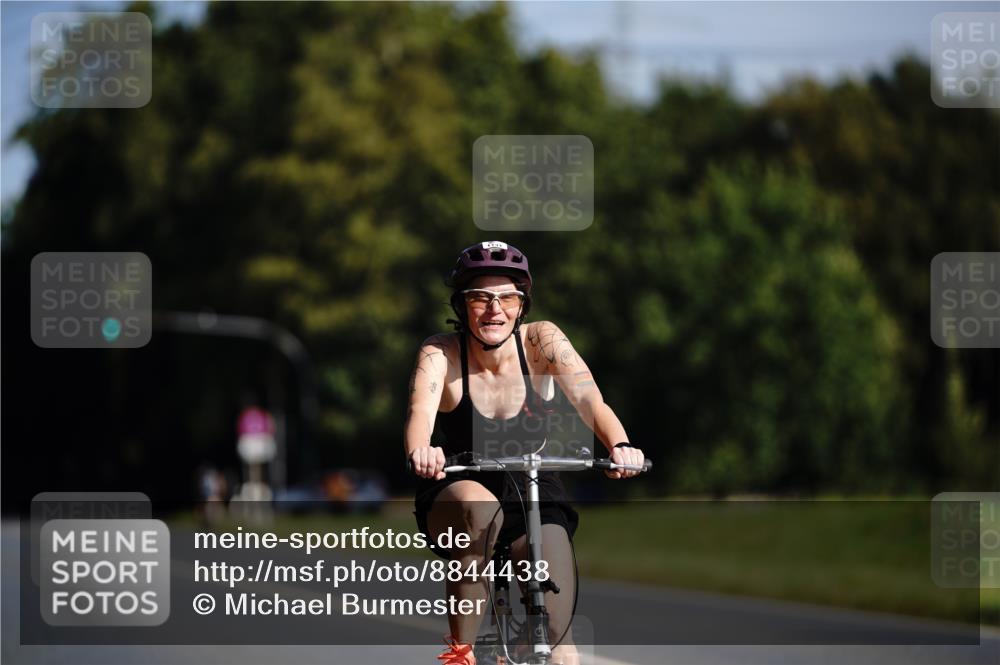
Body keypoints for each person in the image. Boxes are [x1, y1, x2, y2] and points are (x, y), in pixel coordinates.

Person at [406, 241, 644, 665]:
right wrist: (422, 451)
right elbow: (420, 411)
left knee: (559, 640)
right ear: (462, 306)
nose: (494, 309)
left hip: (533, 488)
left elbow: (590, 401)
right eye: (480, 298)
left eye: (507, 297)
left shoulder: (542, 341)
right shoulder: (439, 352)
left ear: (522, 305)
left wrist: (620, 445)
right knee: (479, 510)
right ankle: (461, 654)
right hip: (460, 486)